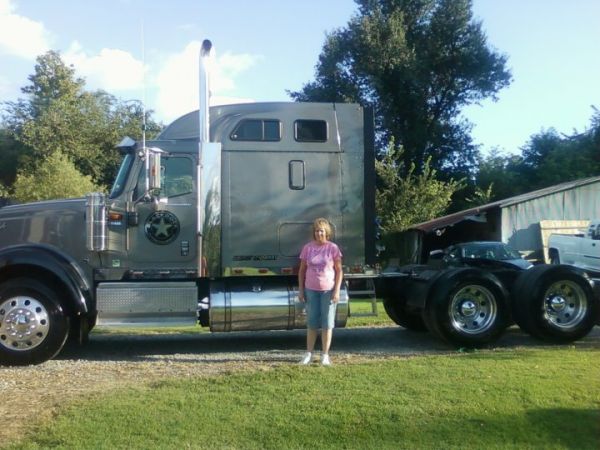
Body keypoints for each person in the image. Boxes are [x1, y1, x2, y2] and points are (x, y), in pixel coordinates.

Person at [298, 218, 343, 366]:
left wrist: (336, 291)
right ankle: (308, 354)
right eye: (317, 231)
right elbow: (302, 270)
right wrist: (301, 290)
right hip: (311, 290)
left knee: (327, 324)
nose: (319, 233)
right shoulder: (308, 248)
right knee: (311, 324)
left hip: (328, 291)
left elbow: (339, 271)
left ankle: (325, 355)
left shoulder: (333, 248)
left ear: (327, 232)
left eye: (321, 230)